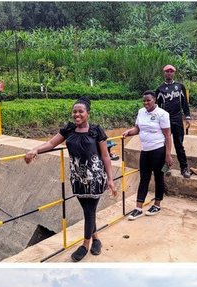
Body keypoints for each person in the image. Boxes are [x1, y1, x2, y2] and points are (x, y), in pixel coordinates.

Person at [25, 96, 117, 262]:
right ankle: (96, 239)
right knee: (87, 211)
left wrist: (110, 179)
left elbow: (105, 156)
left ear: (87, 113)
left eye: (81, 111)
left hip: (95, 178)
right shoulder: (68, 129)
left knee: (90, 211)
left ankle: (85, 245)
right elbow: (51, 144)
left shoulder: (96, 131)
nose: (77, 114)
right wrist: (35, 150)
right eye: (74, 111)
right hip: (77, 179)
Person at [122, 90, 172, 220]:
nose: (146, 103)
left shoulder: (162, 114)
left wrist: (168, 155)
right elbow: (138, 129)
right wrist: (129, 132)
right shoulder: (141, 112)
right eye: (144, 100)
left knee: (158, 177)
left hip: (158, 150)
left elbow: (167, 135)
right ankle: (138, 208)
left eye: (148, 100)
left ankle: (157, 204)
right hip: (145, 150)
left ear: (154, 100)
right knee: (144, 178)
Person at [156, 65, 191, 178]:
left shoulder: (180, 87)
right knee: (165, 145)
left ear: (174, 73)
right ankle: (166, 168)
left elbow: (185, 103)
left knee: (179, 144)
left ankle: (184, 168)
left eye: (171, 72)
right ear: (164, 73)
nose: (169, 74)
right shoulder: (160, 89)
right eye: (167, 72)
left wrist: (188, 117)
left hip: (177, 119)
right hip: (165, 120)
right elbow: (157, 106)